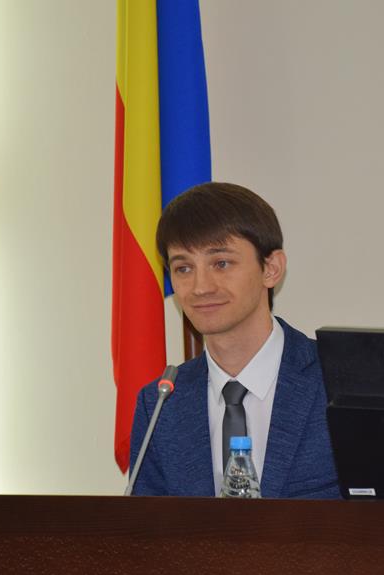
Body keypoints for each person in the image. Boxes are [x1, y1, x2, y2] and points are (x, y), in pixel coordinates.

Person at [127, 182, 341, 498]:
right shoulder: (160, 405)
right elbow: (145, 525)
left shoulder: (339, 381)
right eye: (183, 268)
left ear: (271, 268)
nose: (200, 287)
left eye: (221, 263)